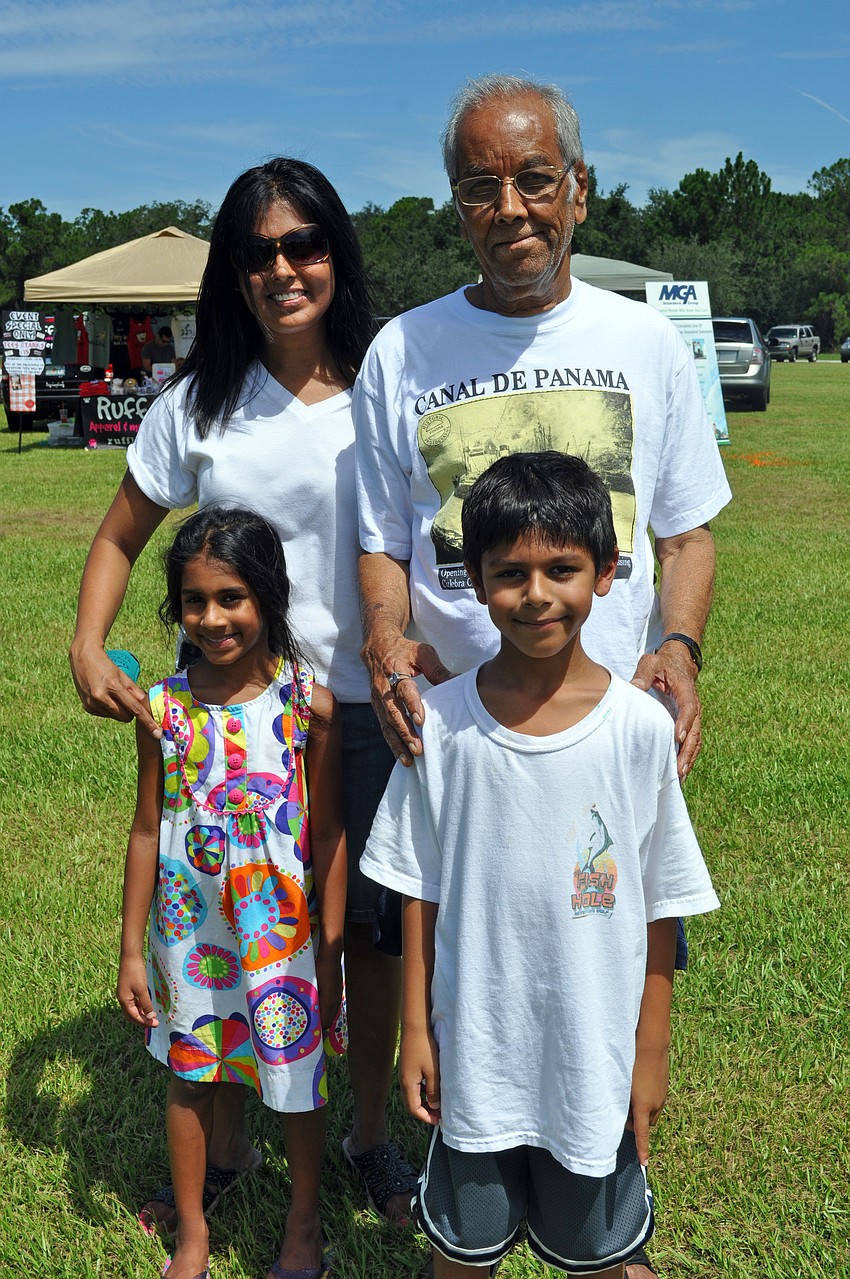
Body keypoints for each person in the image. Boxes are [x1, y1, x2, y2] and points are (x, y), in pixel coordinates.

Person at [353, 74, 732, 1277]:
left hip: (598, 744)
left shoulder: (640, 342)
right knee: (461, 970)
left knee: (591, 958)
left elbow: (687, 528)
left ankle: (591, 1166)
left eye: (532, 179)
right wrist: (383, 633)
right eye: (480, 185)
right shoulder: (402, 348)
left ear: (577, 187)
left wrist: (675, 647)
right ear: (454, 201)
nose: (509, 206)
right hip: (454, 746)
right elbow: (377, 533)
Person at [70, 158, 417, 1236]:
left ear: (335, 254)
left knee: (363, 928)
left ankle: (366, 1137)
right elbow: (125, 531)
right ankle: (223, 1147)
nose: (282, 269)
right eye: (257, 251)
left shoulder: (388, 381)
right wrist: (88, 642)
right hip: (234, 719)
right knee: (225, 910)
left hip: (370, 704)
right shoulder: (199, 402)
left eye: (302, 244)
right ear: (232, 270)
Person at [360, 453, 720, 1279]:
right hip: (476, 1054)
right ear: (477, 581)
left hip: (592, 1054)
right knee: (464, 1252)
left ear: (605, 572)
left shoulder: (640, 728)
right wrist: (416, 1029)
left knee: (598, 1254)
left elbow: (663, 898)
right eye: (509, 572)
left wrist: (649, 1047)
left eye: (562, 568)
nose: (536, 593)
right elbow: (417, 887)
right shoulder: (438, 724)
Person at [117, 506, 346, 1279]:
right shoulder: (165, 711)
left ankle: (304, 1223)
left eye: (231, 597)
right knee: (191, 1074)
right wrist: (130, 951)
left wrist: (335, 942)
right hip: (191, 938)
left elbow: (328, 834)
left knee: (296, 1076)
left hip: (282, 938)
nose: (211, 618)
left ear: (268, 597)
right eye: (193, 599)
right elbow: (148, 829)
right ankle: (193, 1234)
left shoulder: (306, 707)